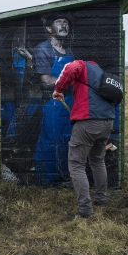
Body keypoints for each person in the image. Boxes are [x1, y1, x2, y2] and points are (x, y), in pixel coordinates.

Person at [52, 60, 115, 218]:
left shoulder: (81, 65)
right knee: (97, 160)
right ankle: (101, 198)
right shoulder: (100, 73)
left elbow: (70, 68)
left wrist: (59, 89)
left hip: (88, 122)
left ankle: (85, 210)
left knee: (76, 165)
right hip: (107, 122)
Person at [32, 13, 74, 185]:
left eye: (66, 22)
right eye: (59, 22)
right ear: (49, 28)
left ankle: (65, 176)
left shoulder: (69, 51)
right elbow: (46, 79)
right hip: (53, 103)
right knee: (51, 139)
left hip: (70, 102)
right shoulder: (42, 49)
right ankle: (47, 179)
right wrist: (69, 81)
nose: (64, 25)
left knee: (68, 139)